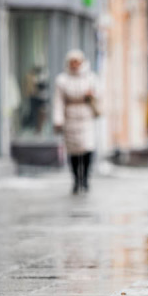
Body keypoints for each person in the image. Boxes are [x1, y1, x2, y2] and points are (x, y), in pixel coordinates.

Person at [53, 50, 101, 194]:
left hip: (86, 118)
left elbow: (100, 94)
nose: (74, 65)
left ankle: (85, 178)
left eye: (77, 62)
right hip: (70, 119)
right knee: (73, 151)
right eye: (72, 62)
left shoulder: (91, 78)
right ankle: (76, 179)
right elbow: (58, 101)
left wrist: (92, 95)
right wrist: (58, 120)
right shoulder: (62, 80)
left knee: (87, 148)